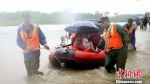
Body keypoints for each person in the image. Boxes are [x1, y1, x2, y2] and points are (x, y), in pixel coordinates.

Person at [16, 12, 49, 76]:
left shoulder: (36, 27)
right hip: (26, 54)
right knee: (29, 72)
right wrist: (26, 47)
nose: (26, 19)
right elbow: (18, 42)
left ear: (30, 18)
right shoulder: (19, 29)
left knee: (35, 70)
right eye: (24, 17)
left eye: (27, 17)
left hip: (35, 53)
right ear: (22, 18)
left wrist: (44, 44)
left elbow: (42, 38)